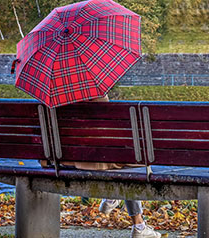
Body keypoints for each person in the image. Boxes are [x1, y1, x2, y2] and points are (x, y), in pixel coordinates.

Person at [42, 95, 160, 238]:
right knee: (134, 165)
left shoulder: (50, 98)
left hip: (64, 161)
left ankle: (115, 201)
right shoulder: (97, 95)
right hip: (97, 159)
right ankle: (136, 222)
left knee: (123, 163)